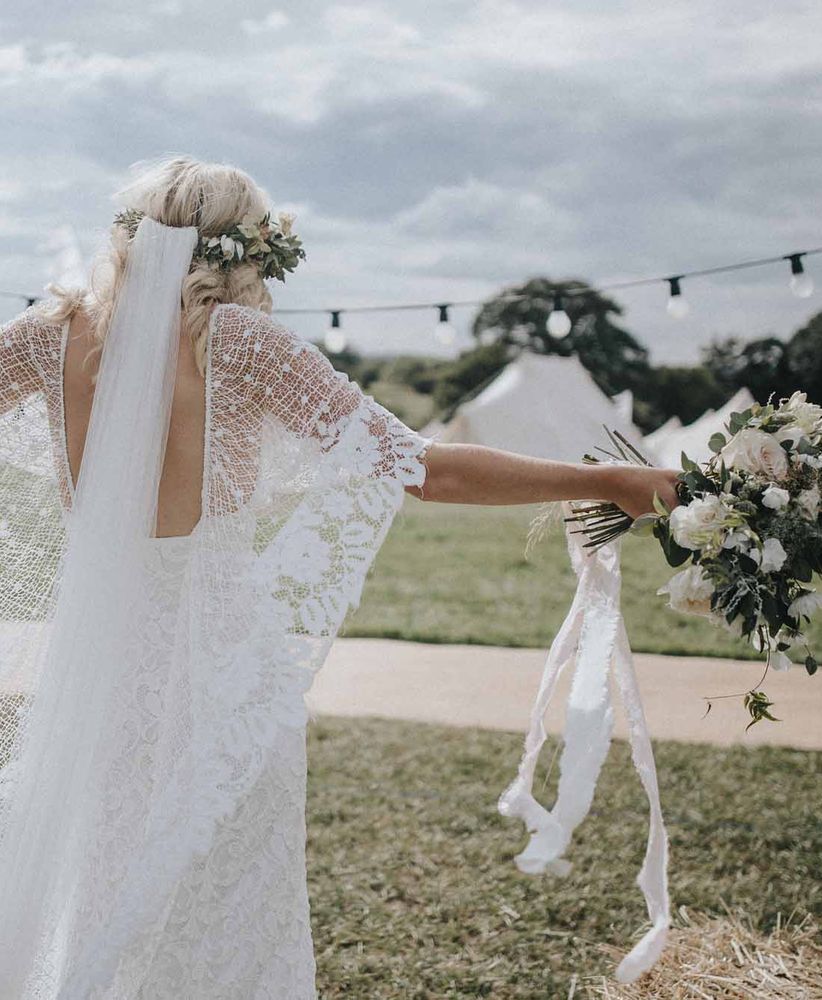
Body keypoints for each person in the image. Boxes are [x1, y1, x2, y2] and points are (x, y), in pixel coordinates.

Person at [0, 155, 677, 997]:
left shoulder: (49, 331)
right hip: (218, 654)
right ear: (245, 250)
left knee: (95, 870)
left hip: (95, 653)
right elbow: (426, 469)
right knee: (222, 895)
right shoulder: (238, 344)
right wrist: (603, 479)